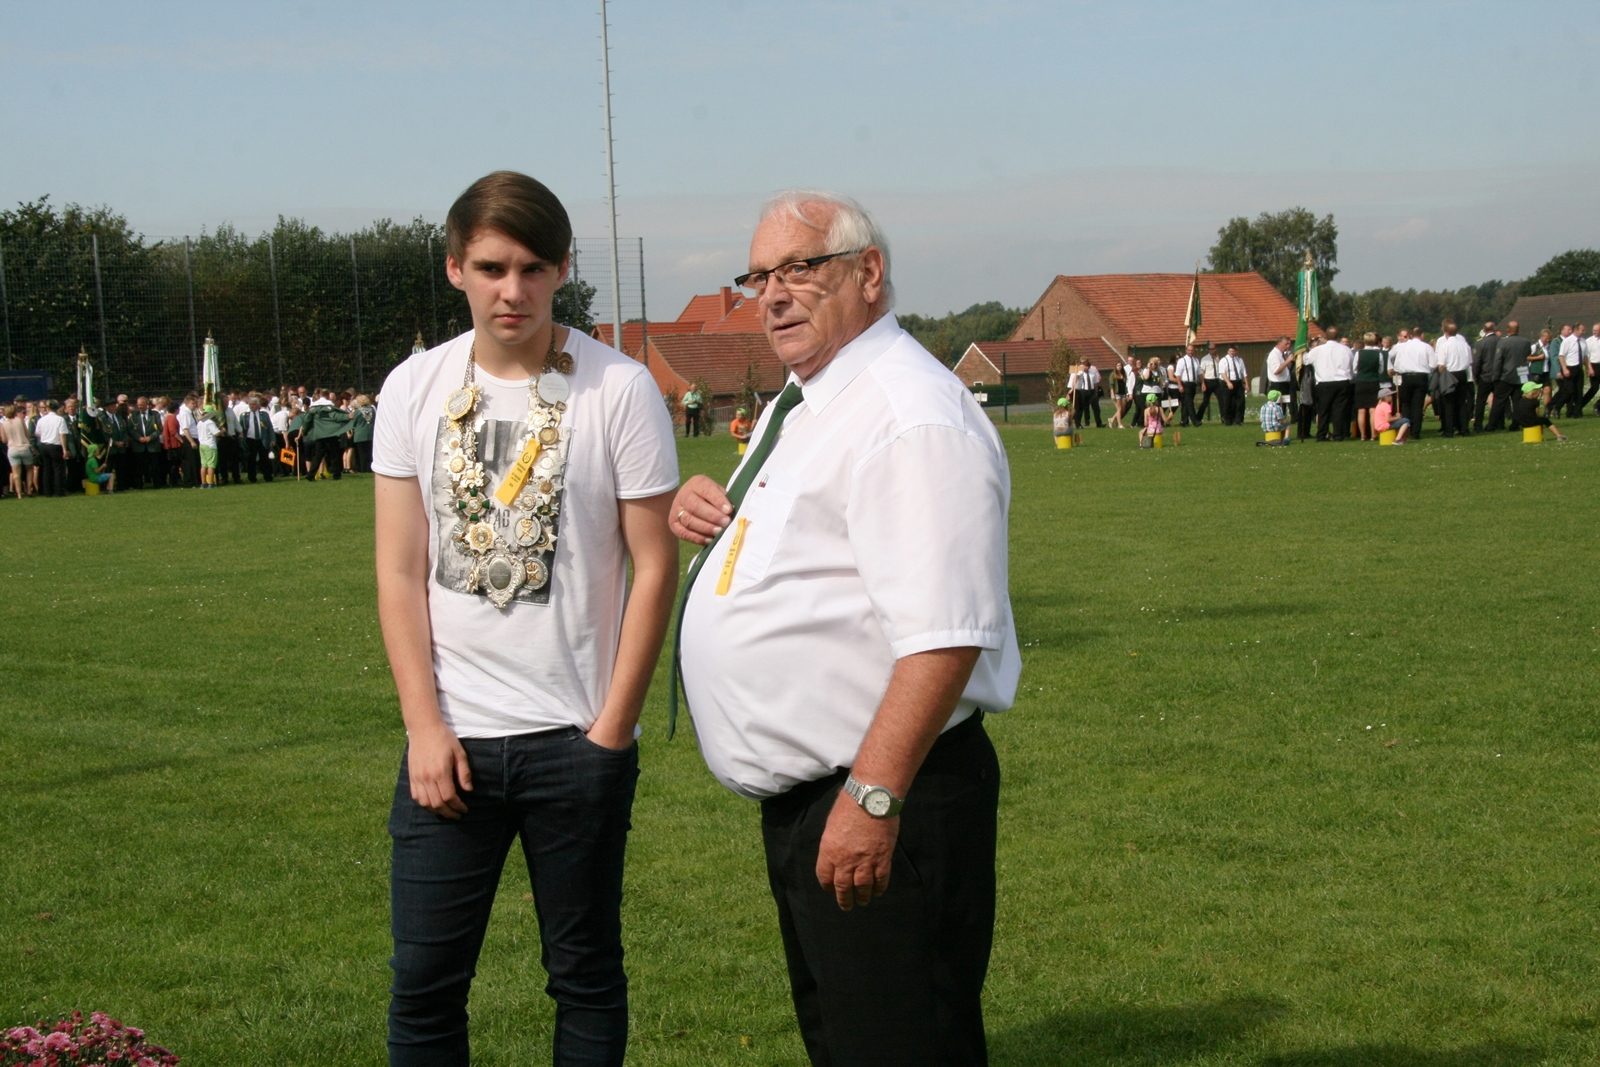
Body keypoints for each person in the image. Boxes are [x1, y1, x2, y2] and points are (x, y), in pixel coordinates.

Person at [669, 190, 1018, 1067]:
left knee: (901, 1044)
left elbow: (945, 633)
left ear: (868, 273)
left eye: (799, 268)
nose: (774, 294)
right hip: (827, 802)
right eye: (759, 277)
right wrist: (706, 509)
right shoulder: (812, 399)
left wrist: (871, 799)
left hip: (885, 795)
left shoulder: (908, 412)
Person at [371, 171, 679, 1067]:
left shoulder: (619, 388)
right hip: (450, 744)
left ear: (563, 270)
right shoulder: (413, 387)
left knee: (584, 976)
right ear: (455, 268)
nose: (514, 290)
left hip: (573, 740)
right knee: (425, 983)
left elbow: (655, 565)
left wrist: (610, 733)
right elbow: (398, 570)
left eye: (534, 268)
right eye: (492, 267)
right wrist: (424, 727)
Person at [1305, 327, 1354, 441]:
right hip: (1342, 381)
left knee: (1323, 410)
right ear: (1338, 336)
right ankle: (1338, 434)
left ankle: (1321, 435)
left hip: (1324, 382)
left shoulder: (1317, 350)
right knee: (1339, 410)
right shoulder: (1346, 349)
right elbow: (1351, 365)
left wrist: (1303, 350)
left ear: (1326, 336)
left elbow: (1306, 360)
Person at [1390, 327, 1433, 439]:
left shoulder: (1402, 346)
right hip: (1421, 376)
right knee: (1418, 405)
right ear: (1421, 335)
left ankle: (1406, 430)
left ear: (1410, 335)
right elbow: (1433, 364)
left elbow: (1392, 358)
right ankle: (1415, 432)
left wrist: (1394, 369)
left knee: (1406, 404)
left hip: (1406, 376)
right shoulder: (1426, 347)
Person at [1490, 322, 1533, 432]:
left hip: (1506, 376)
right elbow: (1527, 354)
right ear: (1518, 330)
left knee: (1499, 401)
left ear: (1508, 330)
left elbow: (1498, 360)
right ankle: (1515, 424)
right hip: (1521, 375)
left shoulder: (1503, 342)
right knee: (1518, 402)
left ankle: (1492, 425)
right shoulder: (1526, 342)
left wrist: (1496, 375)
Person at [1433, 321, 1473, 437]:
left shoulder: (1444, 346)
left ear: (1445, 331)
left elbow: (1441, 365)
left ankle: (1449, 430)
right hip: (1462, 373)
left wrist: (1442, 376)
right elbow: (1470, 361)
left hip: (1449, 373)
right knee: (1461, 402)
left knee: (1448, 403)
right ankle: (1464, 429)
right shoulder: (1465, 345)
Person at [1352, 332, 1385, 440]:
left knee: (1361, 410)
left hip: (1361, 382)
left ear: (1364, 341)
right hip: (1373, 382)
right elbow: (1381, 370)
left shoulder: (1359, 353)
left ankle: (1363, 435)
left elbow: (1355, 369)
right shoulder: (1378, 354)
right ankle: (1373, 435)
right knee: (1373, 409)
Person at [34, 399, 69, 496]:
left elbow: (37, 433)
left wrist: (46, 434)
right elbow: (62, 435)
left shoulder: (41, 420)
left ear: (47, 408)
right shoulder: (60, 419)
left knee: (47, 469)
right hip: (55, 445)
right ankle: (59, 491)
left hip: (44, 445)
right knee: (58, 469)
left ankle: (47, 491)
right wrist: (64, 449)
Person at [1471, 322, 1502, 432]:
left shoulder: (1480, 343)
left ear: (1484, 330)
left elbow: (1476, 362)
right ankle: (1498, 423)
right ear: (1494, 329)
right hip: (1499, 375)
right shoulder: (1501, 341)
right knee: (1498, 401)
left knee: (1481, 402)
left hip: (1485, 375)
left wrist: (1476, 375)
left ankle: (1478, 425)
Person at [1550, 324, 1583, 419]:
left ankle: (1576, 412)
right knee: (1569, 390)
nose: (1584, 332)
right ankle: (1557, 406)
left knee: (1579, 391)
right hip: (1569, 368)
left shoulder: (1582, 341)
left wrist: (1588, 367)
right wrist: (1564, 369)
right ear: (1576, 330)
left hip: (1579, 367)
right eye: (1582, 330)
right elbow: (1560, 356)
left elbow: (1585, 355)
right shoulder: (1567, 341)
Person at [3, 404, 35, 497]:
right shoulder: (20, 420)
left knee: (16, 473)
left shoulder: (3, 424)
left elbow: (4, 440)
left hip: (12, 449)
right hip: (24, 447)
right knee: (29, 469)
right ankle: (29, 490)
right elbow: (27, 434)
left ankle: (19, 494)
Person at [242, 394, 275, 483]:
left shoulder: (264, 415)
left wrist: (272, 439)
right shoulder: (245, 415)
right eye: (250, 404)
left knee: (264, 459)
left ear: (258, 405)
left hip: (262, 439)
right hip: (250, 440)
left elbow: (270, 427)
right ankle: (252, 477)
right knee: (251, 459)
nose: (252, 406)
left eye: (253, 404)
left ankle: (267, 476)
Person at [1218, 345, 1247, 425]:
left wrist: (1246, 383)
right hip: (1227, 382)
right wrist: (1228, 382)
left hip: (1238, 382)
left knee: (1240, 401)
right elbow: (1223, 373)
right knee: (1227, 402)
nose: (1232, 353)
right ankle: (1227, 420)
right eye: (1230, 351)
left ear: (1236, 352)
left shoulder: (1239, 360)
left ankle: (1239, 420)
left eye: (1233, 351)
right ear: (1228, 351)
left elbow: (1244, 372)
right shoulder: (1223, 360)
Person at [1172, 343, 1200, 426]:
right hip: (1185, 383)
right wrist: (1180, 385)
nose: (1190, 352)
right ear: (1186, 351)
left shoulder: (1196, 360)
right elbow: (1178, 374)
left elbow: (1199, 372)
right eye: (1189, 350)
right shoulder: (1182, 361)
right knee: (1189, 402)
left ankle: (1184, 421)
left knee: (1185, 403)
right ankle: (1195, 420)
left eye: (1192, 350)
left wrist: (1203, 382)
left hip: (1193, 383)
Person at [196, 405, 221, 487]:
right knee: (211, 465)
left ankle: (203, 483)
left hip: (202, 444)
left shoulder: (200, 422)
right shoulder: (210, 422)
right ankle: (211, 482)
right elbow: (216, 433)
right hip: (210, 445)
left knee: (204, 465)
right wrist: (222, 431)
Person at [1196, 343, 1219, 422]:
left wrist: (1218, 361)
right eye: (1209, 349)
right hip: (1208, 381)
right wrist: (1203, 383)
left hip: (1216, 380)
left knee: (1222, 399)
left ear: (1215, 349)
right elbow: (1202, 372)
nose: (1211, 351)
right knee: (1205, 401)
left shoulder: (1218, 358)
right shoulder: (1205, 359)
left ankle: (1225, 418)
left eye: (1212, 349)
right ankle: (1198, 417)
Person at [1580, 322, 1600, 415]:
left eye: (1596, 330)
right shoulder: (1589, 341)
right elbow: (1586, 356)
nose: (1594, 332)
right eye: (1593, 330)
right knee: (1594, 388)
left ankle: (1598, 405)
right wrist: (1589, 368)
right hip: (1594, 366)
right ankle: (1580, 405)